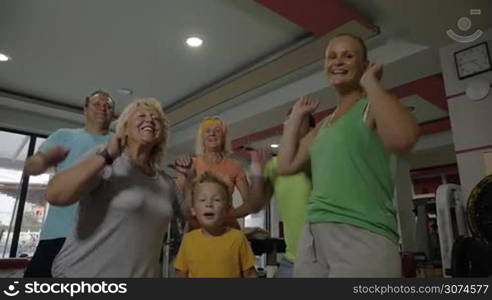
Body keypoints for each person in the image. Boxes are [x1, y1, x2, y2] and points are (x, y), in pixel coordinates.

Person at [278, 33, 419, 277]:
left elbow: (403, 138)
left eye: (348, 56)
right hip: (314, 233)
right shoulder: (323, 125)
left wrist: (372, 84)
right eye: (331, 57)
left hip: (362, 231)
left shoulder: (372, 106)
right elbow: (286, 165)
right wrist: (294, 121)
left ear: (364, 65)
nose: (338, 61)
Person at [46, 98, 180, 277]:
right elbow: (55, 194)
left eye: (155, 119)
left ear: (161, 133)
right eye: (141, 116)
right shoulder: (105, 158)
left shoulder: (166, 183)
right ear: (125, 127)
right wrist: (106, 156)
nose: (149, 120)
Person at [23, 90, 114, 277]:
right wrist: (46, 159)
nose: (103, 108)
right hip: (58, 234)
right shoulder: (64, 135)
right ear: (85, 109)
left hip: (102, 237)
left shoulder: (119, 142)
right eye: (97, 104)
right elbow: (31, 167)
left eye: (108, 106)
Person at [238, 111, 315, 278]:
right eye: (288, 119)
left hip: (320, 258)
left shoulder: (318, 156)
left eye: (298, 118)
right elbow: (256, 205)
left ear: (311, 130)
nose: (291, 122)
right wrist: (258, 172)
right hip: (292, 257)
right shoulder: (274, 165)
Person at [174, 171, 257, 278]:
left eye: (217, 200)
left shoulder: (238, 238)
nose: (209, 204)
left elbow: (250, 274)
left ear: (227, 209)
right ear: (193, 209)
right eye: (202, 200)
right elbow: (181, 275)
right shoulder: (188, 240)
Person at [175, 116, 249, 229]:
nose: (212, 134)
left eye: (217, 131)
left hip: (228, 229)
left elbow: (250, 204)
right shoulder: (189, 164)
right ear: (202, 138)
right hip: (196, 231)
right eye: (207, 131)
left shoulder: (235, 166)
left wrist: (225, 216)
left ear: (224, 137)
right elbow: (175, 199)